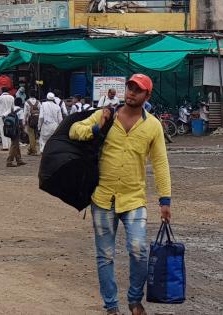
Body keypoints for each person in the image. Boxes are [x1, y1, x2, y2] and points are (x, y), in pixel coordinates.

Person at [69, 74, 171, 315]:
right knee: (104, 256)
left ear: (147, 95)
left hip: (134, 199)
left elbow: (160, 163)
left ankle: (135, 299)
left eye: (138, 90)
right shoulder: (107, 115)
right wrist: (96, 127)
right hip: (102, 199)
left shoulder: (153, 125)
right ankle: (111, 306)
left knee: (138, 249)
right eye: (130, 87)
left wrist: (165, 199)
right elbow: (75, 130)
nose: (132, 93)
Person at [0, 86, 15, 151]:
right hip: (10, 116)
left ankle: (5, 146)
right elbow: (13, 107)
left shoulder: (0, 98)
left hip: (2, 116)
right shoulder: (12, 97)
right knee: (9, 130)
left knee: (2, 131)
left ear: (2, 91)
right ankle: (10, 145)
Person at [23, 90, 40, 155]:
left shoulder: (27, 102)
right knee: (34, 135)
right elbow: (41, 111)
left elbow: (25, 113)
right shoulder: (38, 102)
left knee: (31, 135)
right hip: (37, 120)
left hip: (30, 120)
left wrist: (24, 121)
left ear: (29, 95)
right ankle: (30, 150)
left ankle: (33, 151)